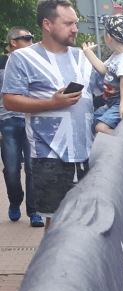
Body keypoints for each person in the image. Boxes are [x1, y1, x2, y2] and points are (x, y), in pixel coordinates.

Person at [1, 0, 95, 227]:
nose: (75, 29)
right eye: (69, 23)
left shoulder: (82, 57)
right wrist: (52, 103)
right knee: (55, 226)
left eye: (76, 23)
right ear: (47, 24)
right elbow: (10, 100)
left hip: (86, 153)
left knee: (84, 223)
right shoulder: (22, 58)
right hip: (50, 155)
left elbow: (103, 92)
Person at [0, 26, 39, 226]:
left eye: (32, 38)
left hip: (31, 121)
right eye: (27, 38)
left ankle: (34, 211)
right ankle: (15, 201)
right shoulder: (1, 64)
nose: (31, 42)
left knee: (33, 168)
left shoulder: (34, 64)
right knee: (12, 170)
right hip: (7, 123)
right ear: (13, 42)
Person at [80, 13, 123, 135]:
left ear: (108, 37)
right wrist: (88, 53)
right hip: (112, 104)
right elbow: (103, 69)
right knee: (93, 121)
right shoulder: (116, 56)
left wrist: (122, 108)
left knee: (100, 127)